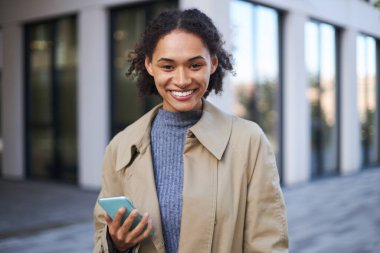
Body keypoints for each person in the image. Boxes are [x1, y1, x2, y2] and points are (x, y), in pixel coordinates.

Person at [93, 8, 289, 253]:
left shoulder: (248, 141)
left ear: (213, 63)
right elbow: (102, 235)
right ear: (149, 65)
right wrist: (115, 244)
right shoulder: (121, 146)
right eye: (167, 67)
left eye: (195, 65)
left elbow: (267, 243)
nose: (182, 79)